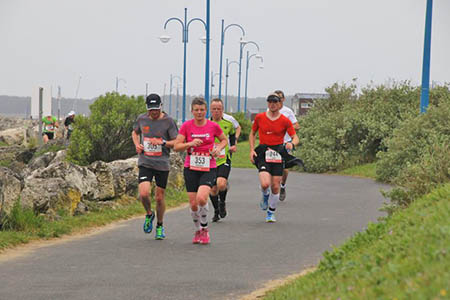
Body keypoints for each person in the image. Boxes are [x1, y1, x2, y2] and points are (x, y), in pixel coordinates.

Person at [174, 97, 228, 244]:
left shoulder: (213, 126)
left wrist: (218, 148)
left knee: (202, 198)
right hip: (190, 167)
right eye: (196, 110)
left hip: (208, 167)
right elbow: (176, 146)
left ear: (206, 111)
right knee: (193, 203)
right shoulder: (186, 126)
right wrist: (190, 143)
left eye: (202, 110)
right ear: (192, 111)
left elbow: (224, 140)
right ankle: (197, 230)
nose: (199, 113)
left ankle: (205, 229)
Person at [132, 93, 178, 240]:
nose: (154, 112)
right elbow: (134, 132)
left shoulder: (169, 122)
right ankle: (149, 214)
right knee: (144, 193)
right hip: (145, 161)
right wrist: (137, 144)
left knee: (159, 198)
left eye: (156, 109)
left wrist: (163, 143)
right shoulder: (142, 118)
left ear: (161, 107)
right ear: (147, 108)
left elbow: (176, 142)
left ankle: (159, 225)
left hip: (162, 164)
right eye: (151, 109)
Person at [250, 93, 299, 222]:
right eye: (269, 102)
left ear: (279, 104)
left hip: (278, 152)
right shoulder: (260, 118)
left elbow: (295, 137)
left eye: (274, 102)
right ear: (267, 103)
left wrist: (291, 143)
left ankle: (271, 213)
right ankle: (265, 195)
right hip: (263, 151)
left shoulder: (284, 120)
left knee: (276, 186)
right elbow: (252, 133)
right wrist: (251, 150)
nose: (272, 104)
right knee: (265, 184)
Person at [209, 99, 236, 222]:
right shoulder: (206, 124)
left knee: (221, 183)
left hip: (224, 158)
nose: (216, 111)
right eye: (214, 109)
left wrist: (233, 146)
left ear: (222, 110)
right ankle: (216, 210)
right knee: (213, 189)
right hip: (209, 160)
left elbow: (232, 135)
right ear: (210, 110)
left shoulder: (228, 124)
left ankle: (222, 202)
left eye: (218, 109)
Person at [273, 90, 300, 201]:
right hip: (272, 143)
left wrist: (287, 129)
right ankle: (272, 188)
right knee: (271, 166)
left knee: (285, 168)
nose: (276, 101)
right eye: (274, 98)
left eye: (279, 98)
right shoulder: (269, 111)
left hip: (286, 143)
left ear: (283, 99)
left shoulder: (288, 111)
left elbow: (297, 125)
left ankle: (282, 186)